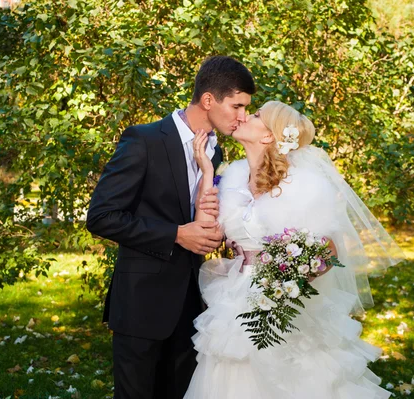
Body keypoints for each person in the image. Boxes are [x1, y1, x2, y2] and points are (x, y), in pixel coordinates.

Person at [185, 100, 405, 398]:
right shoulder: (232, 176)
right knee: (231, 370)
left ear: (268, 136)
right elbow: (207, 235)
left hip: (284, 301)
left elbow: (327, 252)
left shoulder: (306, 186)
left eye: (256, 115)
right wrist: (207, 172)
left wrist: (286, 282)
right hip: (235, 295)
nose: (245, 116)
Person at [86, 55, 256, 399]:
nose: (242, 117)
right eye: (237, 106)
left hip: (193, 305)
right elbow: (101, 215)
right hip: (141, 304)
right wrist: (177, 234)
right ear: (208, 100)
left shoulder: (216, 152)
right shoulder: (143, 140)